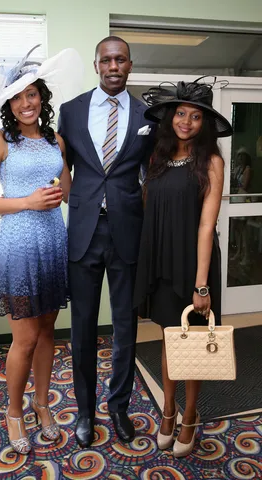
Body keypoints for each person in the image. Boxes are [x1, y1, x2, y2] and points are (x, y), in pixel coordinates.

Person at [0, 47, 83, 454]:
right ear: (7, 104)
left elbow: (70, 192)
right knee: (26, 337)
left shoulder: (56, 140)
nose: (26, 103)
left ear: (42, 96)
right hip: (18, 246)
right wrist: (26, 202)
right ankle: (13, 413)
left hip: (53, 242)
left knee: (49, 330)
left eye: (32, 94)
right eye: (17, 97)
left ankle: (42, 404)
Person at [58, 36, 155, 448]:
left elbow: (151, 171)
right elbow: (62, 166)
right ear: (97, 65)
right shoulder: (71, 111)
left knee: (124, 327)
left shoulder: (150, 115)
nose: (114, 66)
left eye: (121, 60)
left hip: (127, 232)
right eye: (107, 60)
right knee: (81, 327)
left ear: (130, 65)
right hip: (84, 233)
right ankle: (84, 410)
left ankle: (118, 406)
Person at [134, 78, 233, 458]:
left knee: (192, 344)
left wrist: (202, 285)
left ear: (204, 123)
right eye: (180, 114)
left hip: (195, 262)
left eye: (195, 116)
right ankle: (168, 409)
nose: (186, 122)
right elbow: (150, 208)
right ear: (170, 117)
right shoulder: (158, 158)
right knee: (168, 338)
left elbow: (207, 225)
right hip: (162, 258)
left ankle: (190, 415)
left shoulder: (211, 161)